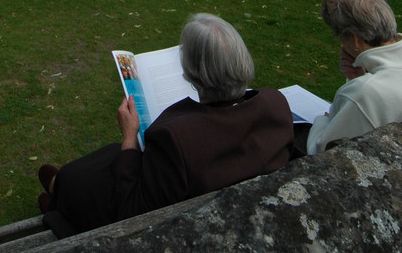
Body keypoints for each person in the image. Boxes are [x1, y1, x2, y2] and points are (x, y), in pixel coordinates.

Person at [37, 14, 293, 238]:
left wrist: (129, 136)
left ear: (191, 74)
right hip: (232, 195)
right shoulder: (275, 104)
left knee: (84, 175)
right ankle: (60, 189)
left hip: (178, 214)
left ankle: (58, 195)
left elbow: (131, 213)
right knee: (106, 158)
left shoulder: (178, 140)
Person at [306, 0, 402, 155]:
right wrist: (357, 77)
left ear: (356, 39)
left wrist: (322, 121)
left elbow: (322, 153)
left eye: (340, 37)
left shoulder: (363, 93)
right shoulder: (367, 85)